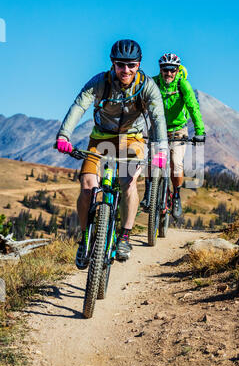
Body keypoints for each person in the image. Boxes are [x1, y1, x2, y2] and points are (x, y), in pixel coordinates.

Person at [55, 39, 168, 268]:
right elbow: (79, 105)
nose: (125, 70)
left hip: (132, 139)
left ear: (139, 65)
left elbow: (157, 118)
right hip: (101, 138)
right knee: (88, 186)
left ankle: (125, 237)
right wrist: (64, 135)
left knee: (128, 182)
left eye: (131, 65)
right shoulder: (100, 82)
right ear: (112, 64)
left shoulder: (147, 87)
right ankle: (85, 238)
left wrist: (161, 150)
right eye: (120, 65)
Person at [141, 53, 205, 219]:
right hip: (157, 129)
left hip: (178, 130)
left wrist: (199, 131)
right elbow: (140, 105)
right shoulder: (153, 82)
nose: (168, 73)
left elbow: (193, 107)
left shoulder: (183, 85)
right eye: (165, 69)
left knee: (176, 163)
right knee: (150, 160)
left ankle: (176, 196)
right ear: (160, 69)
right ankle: (149, 192)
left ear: (177, 70)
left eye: (172, 70)